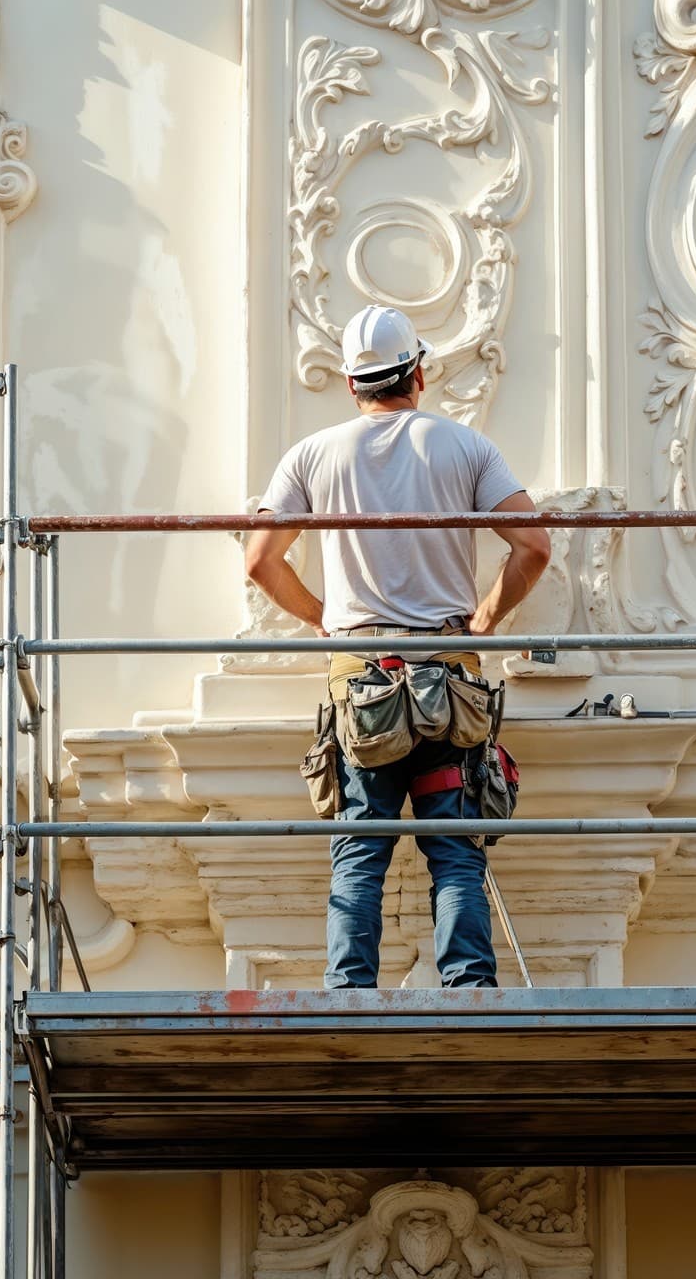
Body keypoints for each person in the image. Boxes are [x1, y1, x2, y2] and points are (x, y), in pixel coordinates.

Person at [246, 304, 550, 989]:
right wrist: (484, 619)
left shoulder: (312, 455)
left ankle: (349, 990)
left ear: (352, 386)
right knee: (454, 850)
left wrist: (325, 620)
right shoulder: (466, 447)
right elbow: (532, 545)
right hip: (447, 677)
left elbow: (260, 560)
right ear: (417, 371)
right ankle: (469, 986)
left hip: (365, 682)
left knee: (361, 844)